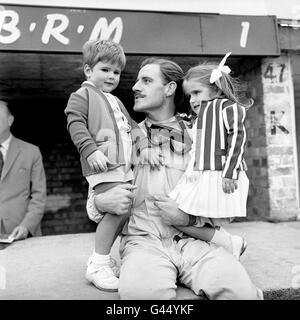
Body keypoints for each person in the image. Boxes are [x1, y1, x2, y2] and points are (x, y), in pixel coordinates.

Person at [93, 57, 263, 300]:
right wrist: (101, 202)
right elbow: (96, 196)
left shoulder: (202, 132)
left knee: (242, 293)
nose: (135, 87)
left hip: (198, 244)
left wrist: (190, 219)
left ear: (170, 89)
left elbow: (228, 197)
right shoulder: (120, 136)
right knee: (142, 295)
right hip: (143, 244)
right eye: (138, 80)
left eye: (146, 80)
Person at [64, 40, 161, 292]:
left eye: (116, 72)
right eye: (105, 70)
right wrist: (90, 150)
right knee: (117, 210)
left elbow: (133, 127)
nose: (111, 76)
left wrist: (145, 147)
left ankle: (101, 258)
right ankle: (98, 264)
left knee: (124, 210)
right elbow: (75, 123)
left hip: (123, 168)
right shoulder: (82, 95)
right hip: (103, 165)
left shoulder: (115, 101)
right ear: (88, 71)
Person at [168, 52, 250, 259]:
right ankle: (226, 244)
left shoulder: (228, 108)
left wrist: (230, 172)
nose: (193, 100)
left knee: (183, 215)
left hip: (218, 173)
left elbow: (238, 138)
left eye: (197, 92)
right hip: (197, 173)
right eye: (190, 96)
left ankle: (227, 244)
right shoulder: (199, 117)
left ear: (215, 88)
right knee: (182, 211)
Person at [0, 100, 46, 241]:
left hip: (21, 234)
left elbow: (39, 195)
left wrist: (26, 226)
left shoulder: (31, 152)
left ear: (10, 120)